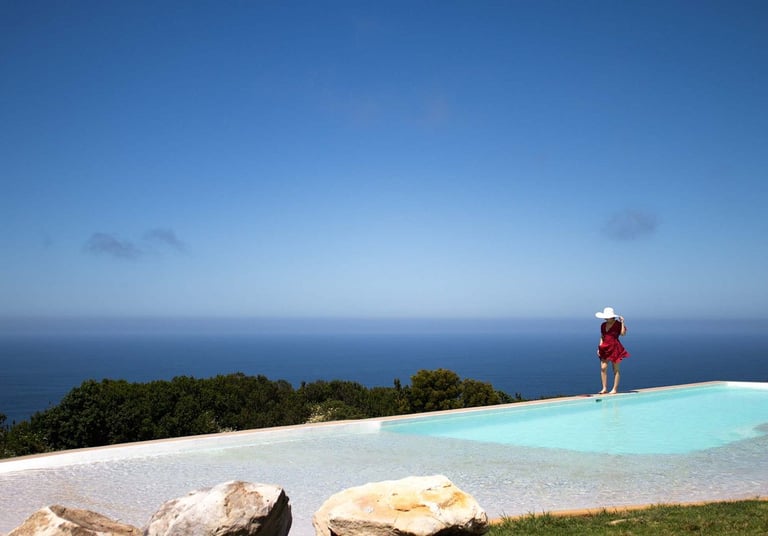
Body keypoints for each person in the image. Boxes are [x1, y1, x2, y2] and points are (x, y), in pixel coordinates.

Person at [595, 306, 629, 394]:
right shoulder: (603, 325)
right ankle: (604, 388)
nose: (605, 318)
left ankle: (614, 389)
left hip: (615, 347)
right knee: (603, 368)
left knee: (616, 369)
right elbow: (602, 337)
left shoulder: (618, 324)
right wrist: (599, 347)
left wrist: (622, 322)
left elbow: (622, 334)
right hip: (605, 347)